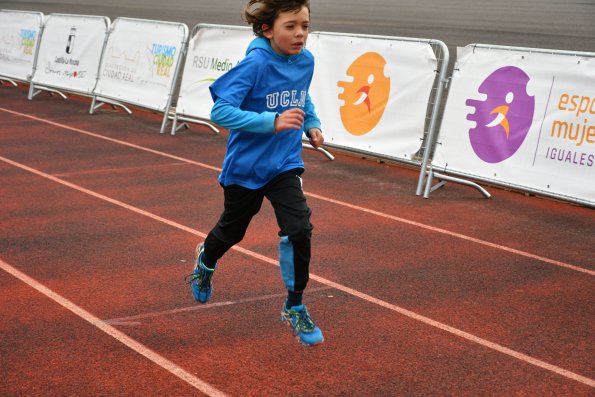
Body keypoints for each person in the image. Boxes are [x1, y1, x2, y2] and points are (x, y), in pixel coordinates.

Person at [185, 0, 324, 346]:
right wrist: (271, 122)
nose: (300, 34)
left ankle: (294, 305)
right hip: (246, 168)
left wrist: (312, 123)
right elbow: (220, 111)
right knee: (232, 231)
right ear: (267, 29)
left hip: (284, 165)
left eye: (305, 25)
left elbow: (301, 98)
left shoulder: (306, 61)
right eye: (291, 26)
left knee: (299, 229)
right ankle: (206, 260)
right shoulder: (255, 64)